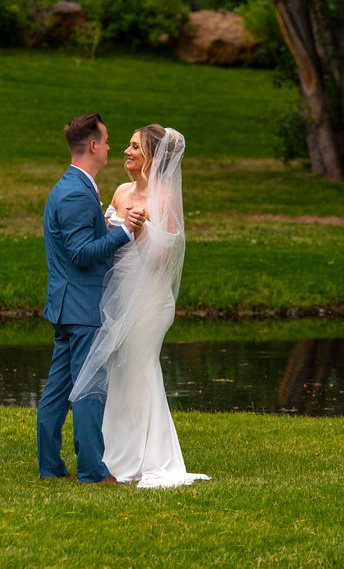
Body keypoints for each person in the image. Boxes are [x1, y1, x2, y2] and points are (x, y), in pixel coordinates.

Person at [70, 124, 210, 489]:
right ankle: (113, 455)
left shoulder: (163, 198)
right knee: (118, 373)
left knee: (139, 369)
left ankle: (149, 457)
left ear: (151, 156)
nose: (126, 151)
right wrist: (108, 229)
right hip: (117, 295)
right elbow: (108, 244)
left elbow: (161, 260)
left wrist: (139, 227)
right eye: (128, 146)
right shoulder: (119, 191)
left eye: (134, 147)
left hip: (148, 300)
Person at [37, 113, 146, 484]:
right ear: (94, 145)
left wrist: (109, 225)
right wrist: (125, 232)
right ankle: (91, 471)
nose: (113, 147)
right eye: (108, 140)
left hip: (68, 304)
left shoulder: (72, 187)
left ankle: (51, 467)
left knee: (59, 389)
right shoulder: (74, 193)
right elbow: (82, 254)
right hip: (82, 307)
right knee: (88, 388)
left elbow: (78, 243)